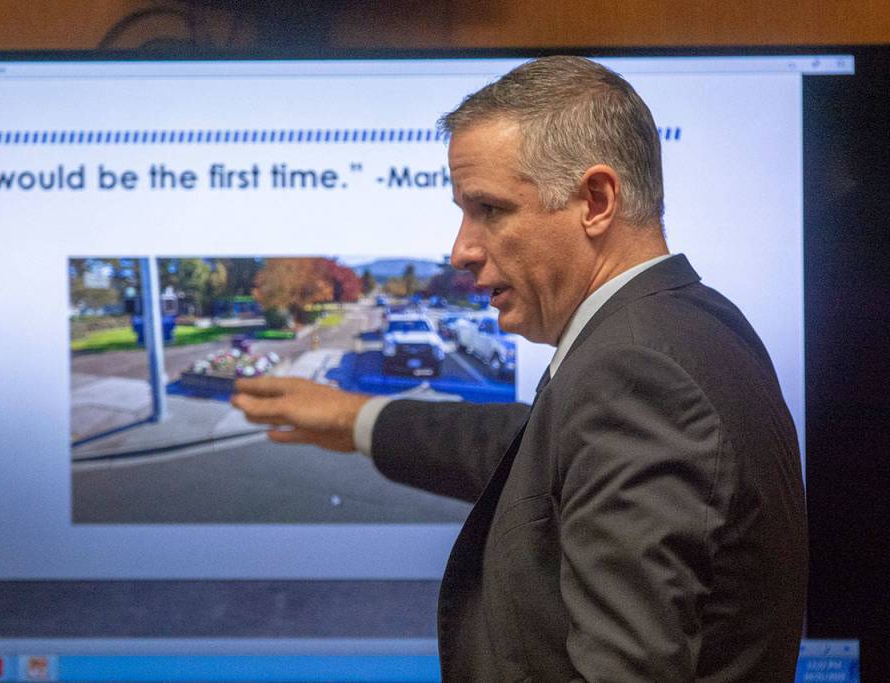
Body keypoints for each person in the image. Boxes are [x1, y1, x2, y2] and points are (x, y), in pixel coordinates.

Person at [232, 56, 807, 681]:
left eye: (489, 209)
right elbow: (538, 454)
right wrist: (357, 418)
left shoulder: (636, 370)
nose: (461, 250)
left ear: (596, 199)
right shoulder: (689, 322)